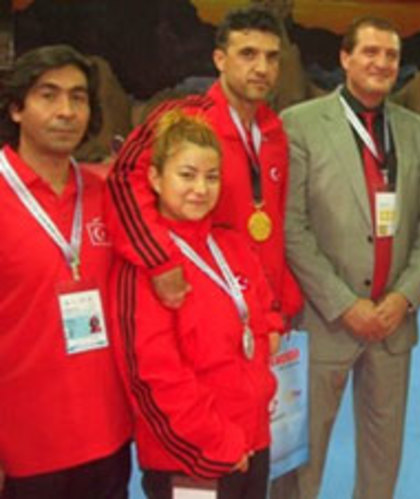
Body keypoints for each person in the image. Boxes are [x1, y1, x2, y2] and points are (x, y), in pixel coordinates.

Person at [271, 16, 420, 499]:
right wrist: (345, 304)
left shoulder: (417, 130)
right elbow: (292, 227)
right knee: (301, 460)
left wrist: (403, 298)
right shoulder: (301, 124)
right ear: (345, 58)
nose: (381, 63)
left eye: (391, 55)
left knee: (383, 457)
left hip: (393, 323)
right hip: (325, 319)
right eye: (370, 52)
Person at [110, 109, 282, 499]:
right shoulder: (147, 267)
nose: (200, 189)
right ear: (156, 179)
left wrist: (269, 334)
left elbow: (261, 310)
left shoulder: (231, 245)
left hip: (253, 439)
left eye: (212, 177)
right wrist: (219, 442)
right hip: (192, 456)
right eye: (186, 175)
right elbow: (156, 377)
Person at [106, 6, 302, 323]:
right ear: (220, 60)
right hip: (199, 302)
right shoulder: (183, 118)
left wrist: (280, 302)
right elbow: (122, 182)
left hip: (261, 308)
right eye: (248, 54)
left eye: (272, 57)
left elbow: (274, 223)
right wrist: (158, 259)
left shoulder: (274, 132)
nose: (262, 68)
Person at [0, 45, 131, 499]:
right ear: (16, 108)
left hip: (109, 438)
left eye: (78, 98)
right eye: (48, 95)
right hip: (25, 448)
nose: (66, 112)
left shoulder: (106, 193)